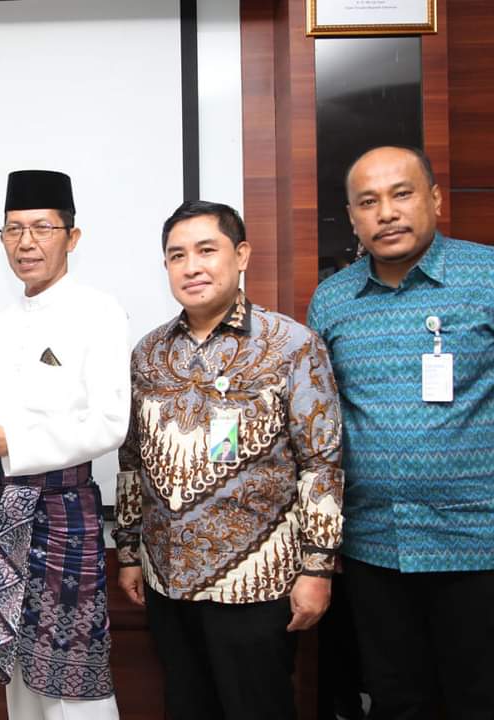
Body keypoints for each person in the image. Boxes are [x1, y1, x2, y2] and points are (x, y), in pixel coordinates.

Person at [308, 145, 494, 719]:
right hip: (374, 548)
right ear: (352, 217)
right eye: (368, 202)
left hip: (481, 545)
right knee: (396, 704)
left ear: (435, 199)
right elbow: (319, 426)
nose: (386, 213)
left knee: (484, 704)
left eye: (402, 194)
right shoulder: (332, 301)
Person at [116, 200, 344, 720]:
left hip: (256, 584)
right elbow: (132, 461)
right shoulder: (148, 354)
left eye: (206, 250)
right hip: (168, 580)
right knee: (186, 707)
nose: (191, 267)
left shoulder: (291, 345)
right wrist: (128, 552)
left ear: (241, 255)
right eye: (177, 256)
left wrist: (318, 568)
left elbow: (322, 465)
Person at [0, 170, 129, 719]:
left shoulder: (99, 312)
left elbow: (110, 423)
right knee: (18, 673)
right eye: (13, 229)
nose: (26, 243)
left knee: (73, 676)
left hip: (64, 512)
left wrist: (11, 440)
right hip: (4, 509)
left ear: (72, 237)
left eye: (42, 228)